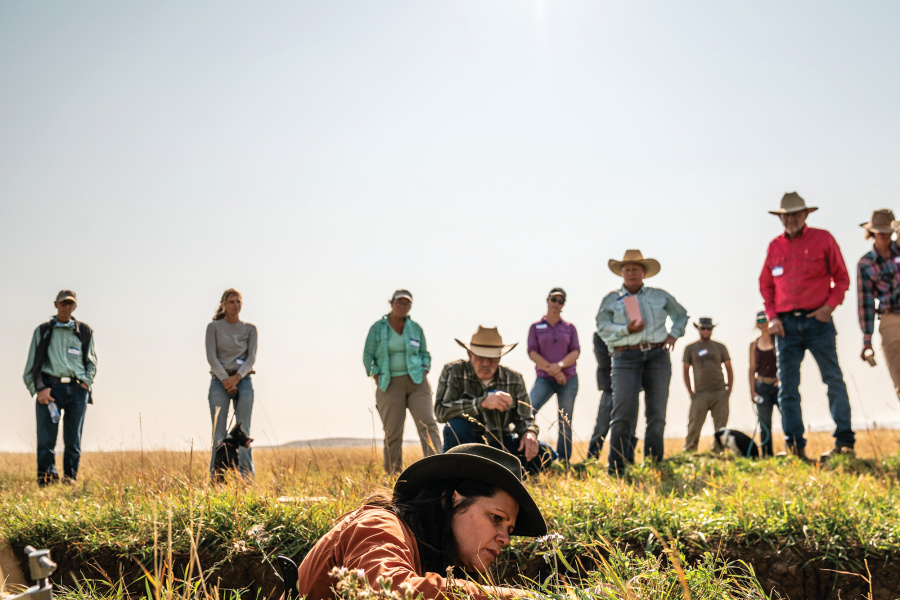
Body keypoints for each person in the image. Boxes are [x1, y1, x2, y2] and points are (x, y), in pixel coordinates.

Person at [295, 443, 547, 600]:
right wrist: (520, 597)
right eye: (496, 518)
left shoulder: (438, 557)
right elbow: (391, 590)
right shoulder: (378, 524)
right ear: (452, 499)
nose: (505, 538)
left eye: (509, 529)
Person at [759, 192, 854, 462]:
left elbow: (842, 278)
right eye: (786, 215)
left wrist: (829, 307)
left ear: (806, 215)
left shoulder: (824, 239)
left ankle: (844, 442)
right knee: (787, 387)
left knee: (832, 379)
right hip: (785, 325)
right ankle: (794, 447)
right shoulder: (774, 247)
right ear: (781, 217)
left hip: (818, 321)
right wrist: (772, 316)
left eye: (795, 214)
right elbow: (765, 285)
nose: (790, 219)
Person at [596, 249, 688, 475]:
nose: (630, 273)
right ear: (621, 273)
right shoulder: (610, 300)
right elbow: (601, 327)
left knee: (657, 413)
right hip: (624, 357)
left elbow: (682, 315)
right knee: (622, 413)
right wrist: (625, 329)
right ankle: (616, 467)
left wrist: (673, 334)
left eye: (635, 269)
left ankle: (654, 464)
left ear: (644, 272)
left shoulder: (660, 295)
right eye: (626, 269)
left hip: (657, 356)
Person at [435, 326, 555, 473]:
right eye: (480, 357)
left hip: (500, 444)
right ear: (469, 354)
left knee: (546, 453)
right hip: (465, 444)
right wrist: (481, 403)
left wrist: (529, 432)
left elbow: (525, 419)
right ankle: (458, 473)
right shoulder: (452, 371)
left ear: (499, 357)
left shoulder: (514, 379)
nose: (486, 363)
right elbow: (441, 412)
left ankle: (494, 473)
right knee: (455, 427)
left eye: (492, 358)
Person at [23, 290, 97, 486]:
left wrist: (85, 384)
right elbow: (30, 367)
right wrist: (39, 389)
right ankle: (47, 480)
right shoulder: (43, 331)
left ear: (75, 307)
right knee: (46, 440)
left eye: (70, 304)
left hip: (77, 391)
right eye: (63, 303)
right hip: (50, 390)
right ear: (56, 304)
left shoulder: (84, 331)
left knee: (73, 439)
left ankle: (70, 478)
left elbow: (92, 363)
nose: (67, 307)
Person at [363, 289, 441, 475]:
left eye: (407, 303)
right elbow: (368, 355)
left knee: (428, 424)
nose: (402, 306)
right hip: (389, 383)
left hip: (417, 381)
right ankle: (393, 475)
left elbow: (425, 353)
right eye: (399, 302)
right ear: (391, 303)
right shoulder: (377, 328)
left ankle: (438, 470)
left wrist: (425, 369)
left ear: (410, 306)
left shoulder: (415, 328)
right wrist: (376, 375)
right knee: (393, 432)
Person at [206, 288, 257, 479]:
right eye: (231, 302)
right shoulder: (214, 328)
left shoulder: (250, 329)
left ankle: (246, 480)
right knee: (219, 434)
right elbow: (212, 357)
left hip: (243, 380)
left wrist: (237, 378)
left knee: (243, 432)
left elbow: (251, 358)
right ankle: (217, 479)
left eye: (238, 301)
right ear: (223, 305)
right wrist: (226, 380)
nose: (235, 305)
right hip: (219, 381)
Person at [526, 287, 580, 463]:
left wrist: (560, 367)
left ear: (563, 304)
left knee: (565, 421)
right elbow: (532, 352)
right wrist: (552, 370)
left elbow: (575, 351)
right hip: (545, 378)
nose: (557, 303)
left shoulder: (570, 328)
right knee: (528, 410)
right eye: (554, 299)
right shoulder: (535, 327)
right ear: (547, 300)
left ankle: (563, 461)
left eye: (560, 301)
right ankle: (527, 452)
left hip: (568, 379)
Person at [857, 209, 900, 402]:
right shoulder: (865, 264)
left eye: (886, 232)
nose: (883, 236)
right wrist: (867, 341)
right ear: (872, 232)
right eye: (879, 232)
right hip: (889, 320)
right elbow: (865, 304)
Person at [682, 317, 733, 453]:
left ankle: (718, 452)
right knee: (694, 425)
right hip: (700, 393)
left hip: (720, 391)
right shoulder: (690, 348)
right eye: (703, 328)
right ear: (698, 329)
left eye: (708, 328)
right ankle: (689, 452)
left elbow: (729, 368)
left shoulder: (720, 347)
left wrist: (729, 390)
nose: (706, 331)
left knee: (721, 425)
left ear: (712, 330)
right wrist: (690, 391)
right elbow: (685, 371)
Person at [749, 310, 779, 458]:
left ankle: (793, 449)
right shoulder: (754, 345)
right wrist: (752, 391)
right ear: (757, 324)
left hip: (778, 385)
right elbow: (752, 368)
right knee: (765, 425)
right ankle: (767, 455)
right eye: (760, 321)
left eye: (765, 320)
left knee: (787, 417)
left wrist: (781, 379)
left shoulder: (778, 340)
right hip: (761, 386)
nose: (763, 324)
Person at [586, 332, 613, 460]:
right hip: (609, 388)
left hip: (630, 388)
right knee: (601, 427)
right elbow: (603, 362)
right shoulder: (600, 335)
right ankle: (591, 460)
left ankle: (626, 460)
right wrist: (623, 357)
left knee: (629, 428)